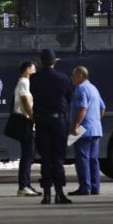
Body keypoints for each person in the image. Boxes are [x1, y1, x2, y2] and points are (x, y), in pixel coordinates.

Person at [30, 48, 74, 204]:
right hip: (58, 121)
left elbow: (33, 95)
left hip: (42, 121)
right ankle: (59, 193)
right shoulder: (63, 77)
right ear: (54, 62)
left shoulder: (34, 78)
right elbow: (69, 97)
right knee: (58, 158)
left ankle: (46, 194)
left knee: (46, 158)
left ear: (41, 62)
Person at [68, 66, 106, 196]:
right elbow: (102, 107)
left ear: (80, 75)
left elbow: (82, 108)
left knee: (82, 159)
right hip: (95, 128)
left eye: (73, 75)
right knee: (93, 159)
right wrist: (95, 120)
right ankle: (95, 187)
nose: (71, 78)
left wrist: (75, 125)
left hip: (83, 129)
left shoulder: (80, 88)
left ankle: (85, 188)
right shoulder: (93, 88)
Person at [14, 61, 41, 196]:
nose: (35, 71)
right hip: (26, 123)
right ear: (27, 69)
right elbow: (25, 100)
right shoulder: (24, 82)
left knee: (29, 156)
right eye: (33, 69)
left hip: (28, 122)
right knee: (27, 156)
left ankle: (27, 184)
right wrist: (32, 117)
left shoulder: (24, 82)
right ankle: (23, 186)